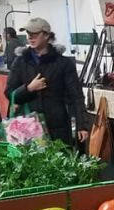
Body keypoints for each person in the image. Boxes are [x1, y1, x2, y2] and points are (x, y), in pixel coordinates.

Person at [6, 17, 89, 146]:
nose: (30, 37)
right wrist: (29, 89)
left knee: (60, 162)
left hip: (57, 126)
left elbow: (76, 96)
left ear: (46, 35)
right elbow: (9, 93)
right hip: (28, 127)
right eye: (28, 34)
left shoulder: (63, 63)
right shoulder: (21, 62)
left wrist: (82, 125)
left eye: (34, 34)